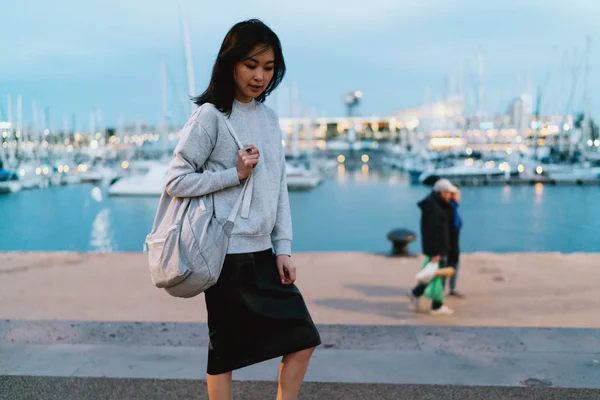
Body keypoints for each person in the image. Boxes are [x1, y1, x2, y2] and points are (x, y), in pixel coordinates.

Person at [164, 19, 321, 400]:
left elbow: (278, 184)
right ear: (231, 62)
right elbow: (175, 181)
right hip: (225, 256)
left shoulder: (269, 118)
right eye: (251, 65)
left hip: (264, 254)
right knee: (225, 354)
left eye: (268, 67)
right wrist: (231, 175)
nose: (260, 76)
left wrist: (282, 247)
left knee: (304, 338)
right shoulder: (210, 116)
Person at [407, 179, 458, 316]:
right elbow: (432, 231)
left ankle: (416, 293)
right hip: (437, 249)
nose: (449, 196)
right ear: (441, 192)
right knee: (438, 277)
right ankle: (436, 306)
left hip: (439, 248)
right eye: (447, 193)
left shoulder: (438, 204)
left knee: (433, 276)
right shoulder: (433, 207)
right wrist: (436, 252)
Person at [447, 188, 464, 297]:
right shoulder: (451, 209)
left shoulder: (453, 208)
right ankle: (452, 289)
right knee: (452, 266)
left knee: (451, 267)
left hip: (452, 243)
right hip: (451, 245)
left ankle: (452, 288)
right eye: (458, 195)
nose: (460, 197)